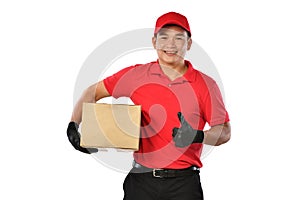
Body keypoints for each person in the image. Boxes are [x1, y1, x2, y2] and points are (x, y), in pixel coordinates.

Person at [67, 11, 231, 200]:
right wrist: (73, 125)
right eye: (164, 37)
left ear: (189, 44)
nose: (171, 45)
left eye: (179, 38)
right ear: (154, 42)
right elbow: (92, 92)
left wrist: (198, 135)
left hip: (184, 184)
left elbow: (225, 131)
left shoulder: (205, 84)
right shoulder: (136, 76)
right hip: (141, 182)